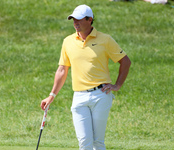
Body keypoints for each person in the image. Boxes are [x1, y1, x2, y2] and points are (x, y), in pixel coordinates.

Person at [40, 4, 131, 150]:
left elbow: (125, 61)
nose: (75, 22)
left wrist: (117, 85)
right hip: (79, 97)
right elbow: (62, 70)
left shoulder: (105, 39)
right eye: (73, 19)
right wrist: (52, 95)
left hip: (101, 95)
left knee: (97, 142)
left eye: (79, 19)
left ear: (90, 20)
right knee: (84, 143)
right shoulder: (68, 41)